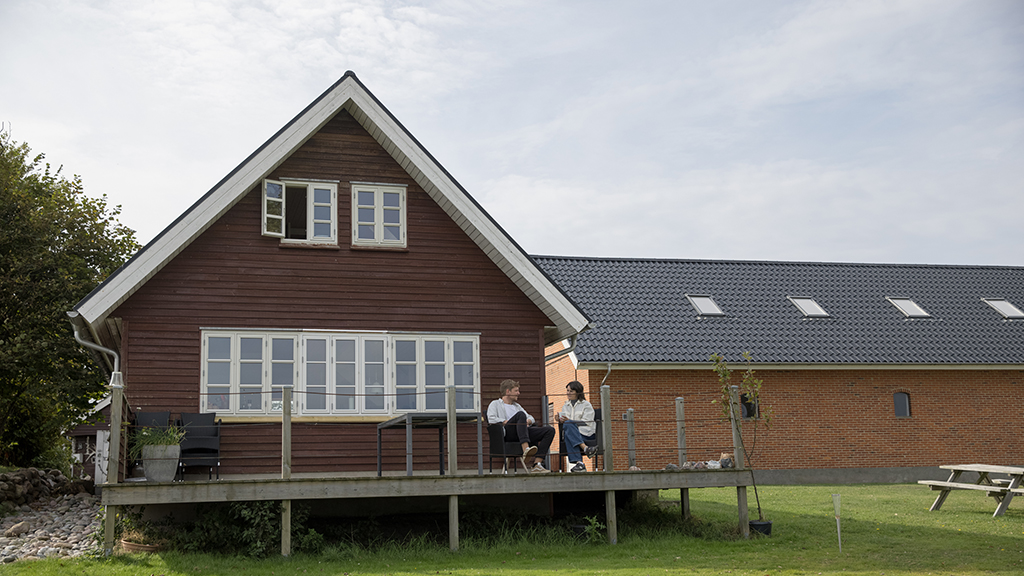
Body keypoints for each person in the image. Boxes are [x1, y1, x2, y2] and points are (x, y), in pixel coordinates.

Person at [486, 379, 554, 473]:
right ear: (508, 391)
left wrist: (528, 421)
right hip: (508, 434)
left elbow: (531, 418)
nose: (519, 393)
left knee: (549, 430)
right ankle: (525, 448)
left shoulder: (517, 406)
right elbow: (491, 419)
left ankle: (537, 465)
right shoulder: (495, 404)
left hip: (522, 432)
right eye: (516, 391)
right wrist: (504, 421)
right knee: (520, 415)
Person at [557, 380, 598, 473]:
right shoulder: (565, 406)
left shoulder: (586, 405)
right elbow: (566, 423)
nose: (568, 393)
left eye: (571, 391)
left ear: (577, 392)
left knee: (569, 431)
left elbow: (587, 422)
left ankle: (580, 463)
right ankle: (585, 450)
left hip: (586, 433)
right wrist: (559, 420)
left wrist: (570, 421)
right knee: (568, 428)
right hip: (573, 433)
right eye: (567, 390)